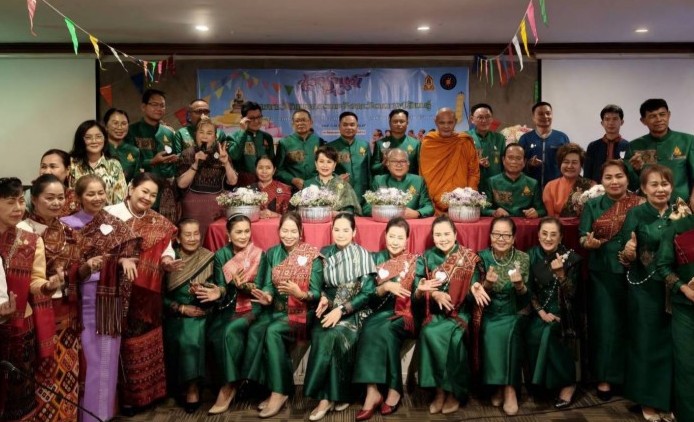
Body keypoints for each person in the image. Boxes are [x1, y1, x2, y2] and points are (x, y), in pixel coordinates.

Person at [61, 174, 139, 421]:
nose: (97, 198)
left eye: (101, 193)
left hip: (109, 297)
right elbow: (64, 263)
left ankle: (101, 415)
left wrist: (124, 260)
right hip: (79, 298)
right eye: (90, 194)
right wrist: (86, 267)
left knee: (107, 355)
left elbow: (131, 253)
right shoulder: (66, 224)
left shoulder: (115, 224)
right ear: (78, 197)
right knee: (87, 359)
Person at [105, 172, 181, 415]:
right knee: (120, 346)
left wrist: (168, 261)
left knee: (147, 343)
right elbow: (95, 250)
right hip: (112, 292)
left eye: (153, 195)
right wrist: (121, 260)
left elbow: (167, 250)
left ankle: (150, 395)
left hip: (147, 294)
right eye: (144, 191)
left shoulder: (160, 223)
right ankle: (124, 400)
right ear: (131, 188)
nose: (147, 198)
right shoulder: (109, 216)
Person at [243, 212, 323, 418]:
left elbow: (317, 293)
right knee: (255, 330)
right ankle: (268, 387)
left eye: (293, 231)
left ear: (300, 232)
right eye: (284, 231)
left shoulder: (312, 255)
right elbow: (267, 285)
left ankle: (279, 392)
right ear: (278, 231)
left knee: (272, 331)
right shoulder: (271, 253)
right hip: (276, 310)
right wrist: (267, 296)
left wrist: (300, 294)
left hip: (303, 312)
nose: (288, 235)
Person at [19, 175, 84, 421]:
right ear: (34, 199)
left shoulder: (68, 230)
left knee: (67, 368)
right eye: (50, 198)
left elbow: (76, 268)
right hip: (35, 309)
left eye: (60, 198)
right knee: (42, 368)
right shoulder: (22, 230)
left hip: (67, 308)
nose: (56, 203)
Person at [578, 159, 643, 401]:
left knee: (634, 324)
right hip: (603, 273)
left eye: (619, 176)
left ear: (627, 178)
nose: (614, 181)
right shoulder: (593, 205)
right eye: (608, 177)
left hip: (637, 273)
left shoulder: (640, 204)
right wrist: (589, 243)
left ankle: (631, 378)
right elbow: (583, 237)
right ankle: (605, 377)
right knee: (605, 325)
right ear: (601, 181)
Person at [303, 212, 376, 421]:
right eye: (337, 229)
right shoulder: (325, 253)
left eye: (346, 230)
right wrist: (324, 299)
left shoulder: (362, 255)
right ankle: (338, 395)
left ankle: (326, 399)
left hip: (355, 311)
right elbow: (319, 285)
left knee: (334, 335)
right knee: (322, 332)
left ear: (354, 232)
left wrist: (342, 310)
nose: (341, 234)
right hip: (328, 308)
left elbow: (367, 293)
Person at [618, 164, 674, 421]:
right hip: (644, 288)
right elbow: (624, 254)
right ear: (643, 188)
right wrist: (629, 252)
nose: (660, 189)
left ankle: (666, 400)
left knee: (670, 345)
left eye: (665, 184)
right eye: (654, 184)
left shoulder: (681, 212)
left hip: (674, 288)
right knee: (645, 342)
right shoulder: (636, 213)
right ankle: (646, 400)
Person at [0, 177, 56, 420]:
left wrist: (47, 286)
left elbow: (36, 281)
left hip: (20, 326)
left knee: (19, 392)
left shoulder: (31, 240)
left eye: (21, 201)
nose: (18, 208)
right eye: (10, 202)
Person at [352, 217, 418, 420]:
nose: (395, 241)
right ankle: (372, 391)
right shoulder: (375, 259)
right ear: (385, 236)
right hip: (378, 312)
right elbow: (367, 293)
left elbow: (417, 296)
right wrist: (385, 287)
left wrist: (421, 290)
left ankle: (394, 390)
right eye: (392, 236)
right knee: (369, 327)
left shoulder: (415, 261)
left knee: (386, 329)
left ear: (407, 240)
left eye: (400, 237)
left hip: (405, 314)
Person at [414, 215, 480, 415]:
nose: (442, 238)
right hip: (435, 315)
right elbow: (418, 287)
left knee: (454, 339)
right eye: (438, 235)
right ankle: (439, 391)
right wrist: (433, 293)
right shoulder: (426, 257)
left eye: (446, 234)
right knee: (428, 333)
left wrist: (476, 287)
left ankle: (453, 392)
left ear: (455, 234)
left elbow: (473, 292)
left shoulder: (468, 258)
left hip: (460, 314)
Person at [207, 213, 267, 415]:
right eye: (238, 232)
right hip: (228, 306)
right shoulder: (221, 255)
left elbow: (261, 288)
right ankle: (232, 382)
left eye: (246, 231)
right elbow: (220, 286)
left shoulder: (259, 255)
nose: (243, 236)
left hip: (253, 306)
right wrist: (222, 290)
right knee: (215, 331)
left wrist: (245, 287)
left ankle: (228, 387)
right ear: (229, 234)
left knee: (230, 331)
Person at [472, 216, 531, 416]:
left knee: (511, 330)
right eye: (497, 234)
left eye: (506, 235)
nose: (501, 238)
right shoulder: (481, 257)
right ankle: (498, 386)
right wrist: (487, 284)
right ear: (490, 236)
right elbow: (477, 293)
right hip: (490, 312)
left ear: (514, 238)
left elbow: (526, 299)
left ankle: (510, 389)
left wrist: (520, 286)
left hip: (515, 310)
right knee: (490, 331)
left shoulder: (523, 258)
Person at [163, 218, 219, 413]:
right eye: (188, 234)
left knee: (194, 333)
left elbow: (219, 290)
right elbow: (158, 296)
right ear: (178, 238)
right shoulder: (169, 261)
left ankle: (193, 387)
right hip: (174, 313)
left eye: (196, 234)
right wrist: (180, 308)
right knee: (183, 333)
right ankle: (184, 386)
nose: (193, 238)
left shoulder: (209, 257)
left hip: (202, 312)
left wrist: (205, 293)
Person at [526, 217, 581, 409]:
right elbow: (529, 289)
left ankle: (568, 383)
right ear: (538, 235)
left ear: (561, 237)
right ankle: (541, 386)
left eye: (553, 234)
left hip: (564, 310)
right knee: (534, 332)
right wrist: (541, 312)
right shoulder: (531, 255)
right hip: (539, 310)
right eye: (544, 233)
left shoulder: (571, 258)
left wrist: (561, 275)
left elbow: (572, 294)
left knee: (549, 332)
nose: (548, 238)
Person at [656, 201, 694, 422]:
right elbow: (663, 266)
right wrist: (684, 289)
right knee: (687, 365)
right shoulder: (677, 227)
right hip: (686, 308)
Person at [176, 118, 238, 238]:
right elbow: (181, 184)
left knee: (215, 239)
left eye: (209, 133)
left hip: (217, 205)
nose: (204, 136)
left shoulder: (222, 154)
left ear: (215, 137)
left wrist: (226, 163)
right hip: (192, 205)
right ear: (195, 135)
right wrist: (195, 164)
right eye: (201, 132)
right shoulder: (187, 153)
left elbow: (233, 181)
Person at [625, 98, 694, 204]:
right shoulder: (634, 146)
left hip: (681, 205)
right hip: (647, 206)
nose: (659, 119)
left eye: (662, 114)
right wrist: (635, 170)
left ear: (669, 115)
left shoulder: (688, 141)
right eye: (652, 116)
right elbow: (631, 186)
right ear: (643, 121)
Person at [126, 89, 179, 222]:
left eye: (162, 105)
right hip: (142, 191)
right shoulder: (131, 131)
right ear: (143, 107)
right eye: (154, 104)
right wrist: (152, 161)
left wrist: (174, 160)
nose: (159, 108)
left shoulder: (169, 132)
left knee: (165, 229)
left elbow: (173, 163)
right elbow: (128, 163)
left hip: (166, 193)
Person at [420, 107, 480, 214]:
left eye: (450, 122)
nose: (446, 126)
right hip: (433, 203)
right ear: (435, 122)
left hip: (461, 203)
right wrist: (428, 200)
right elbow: (424, 173)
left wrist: (469, 197)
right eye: (442, 122)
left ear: (455, 122)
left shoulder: (464, 141)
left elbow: (473, 172)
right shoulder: (429, 142)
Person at [68, 119, 128, 204]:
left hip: (108, 212)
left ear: (105, 139)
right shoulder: (72, 163)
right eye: (88, 137)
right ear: (81, 140)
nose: (94, 141)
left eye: (98, 136)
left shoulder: (114, 164)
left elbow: (121, 198)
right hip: (79, 212)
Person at [363, 148, 434, 218]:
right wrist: (388, 211)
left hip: (410, 222)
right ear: (387, 164)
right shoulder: (379, 180)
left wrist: (417, 213)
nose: (399, 165)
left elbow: (429, 207)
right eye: (394, 161)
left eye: (403, 161)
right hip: (384, 221)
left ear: (408, 163)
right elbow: (366, 208)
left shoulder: (418, 181)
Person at [483, 143, 546, 218]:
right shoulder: (492, 182)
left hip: (524, 223)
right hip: (501, 222)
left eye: (518, 158)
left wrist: (536, 213)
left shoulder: (533, 183)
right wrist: (494, 212)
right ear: (503, 160)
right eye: (510, 158)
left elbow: (542, 210)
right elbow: (483, 208)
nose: (514, 161)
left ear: (524, 162)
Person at [518, 101, 570, 187]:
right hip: (530, 187)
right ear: (533, 117)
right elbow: (518, 163)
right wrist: (529, 164)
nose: (545, 116)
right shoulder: (525, 139)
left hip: (556, 187)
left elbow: (568, 163)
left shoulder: (562, 138)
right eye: (540, 114)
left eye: (548, 113)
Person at [275, 109, 325, 192]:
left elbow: (324, 165)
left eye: (304, 120)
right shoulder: (284, 143)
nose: (300, 123)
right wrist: (292, 180)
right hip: (291, 189)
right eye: (297, 121)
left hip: (316, 187)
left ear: (311, 122)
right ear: (292, 124)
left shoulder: (319, 141)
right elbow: (278, 170)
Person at [228, 101, 276, 186]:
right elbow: (235, 156)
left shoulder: (267, 137)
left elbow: (272, 161)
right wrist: (242, 132)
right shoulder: (233, 137)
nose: (256, 121)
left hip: (265, 183)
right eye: (252, 118)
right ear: (243, 119)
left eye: (259, 117)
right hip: (243, 184)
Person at [304, 145, 362, 215]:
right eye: (321, 161)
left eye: (329, 162)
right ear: (316, 164)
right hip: (314, 220)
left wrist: (337, 214)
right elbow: (301, 209)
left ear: (334, 165)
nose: (325, 165)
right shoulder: (308, 184)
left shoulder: (343, 185)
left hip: (339, 220)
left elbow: (350, 211)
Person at [542, 143, 595, 217]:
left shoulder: (591, 186)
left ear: (581, 165)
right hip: (555, 224)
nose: (570, 166)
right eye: (566, 162)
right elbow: (549, 217)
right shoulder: (550, 186)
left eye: (574, 162)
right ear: (560, 164)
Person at [331, 111, 372, 203]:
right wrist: (336, 179)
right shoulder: (330, 147)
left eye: (352, 125)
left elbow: (369, 171)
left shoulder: (364, 145)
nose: (349, 128)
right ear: (339, 126)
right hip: (340, 196)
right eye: (345, 125)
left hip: (363, 196)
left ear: (357, 127)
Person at [25, 149, 80, 216]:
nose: (47, 171)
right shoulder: (29, 195)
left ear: (67, 170)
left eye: (53, 166)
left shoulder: (77, 197)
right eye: (43, 167)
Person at [583, 105, 629, 183]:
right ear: (602, 123)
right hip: (597, 188)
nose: (611, 123)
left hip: (620, 187)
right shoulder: (593, 146)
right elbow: (587, 174)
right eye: (607, 119)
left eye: (615, 119)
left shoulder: (628, 146)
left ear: (622, 122)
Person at [468, 103, 506, 192]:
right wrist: (476, 162)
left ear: (492, 119)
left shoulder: (499, 138)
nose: (484, 120)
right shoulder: (466, 137)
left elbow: (504, 163)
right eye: (480, 117)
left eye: (487, 117)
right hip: (472, 186)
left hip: (495, 185)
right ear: (472, 119)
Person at [371, 109, 421, 176]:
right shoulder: (380, 143)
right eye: (395, 121)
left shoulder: (416, 144)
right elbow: (373, 168)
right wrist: (383, 164)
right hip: (387, 182)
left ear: (407, 123)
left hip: (410, 182)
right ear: (389, 123)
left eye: (402, 121)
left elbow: (421, 169)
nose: (398, 124)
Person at [104, 108, 142, 182]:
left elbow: (136, 179)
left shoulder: (134, 151)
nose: (120, 127)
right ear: (106, 126)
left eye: (124, 124)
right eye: (115, 123)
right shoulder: (98, 148)